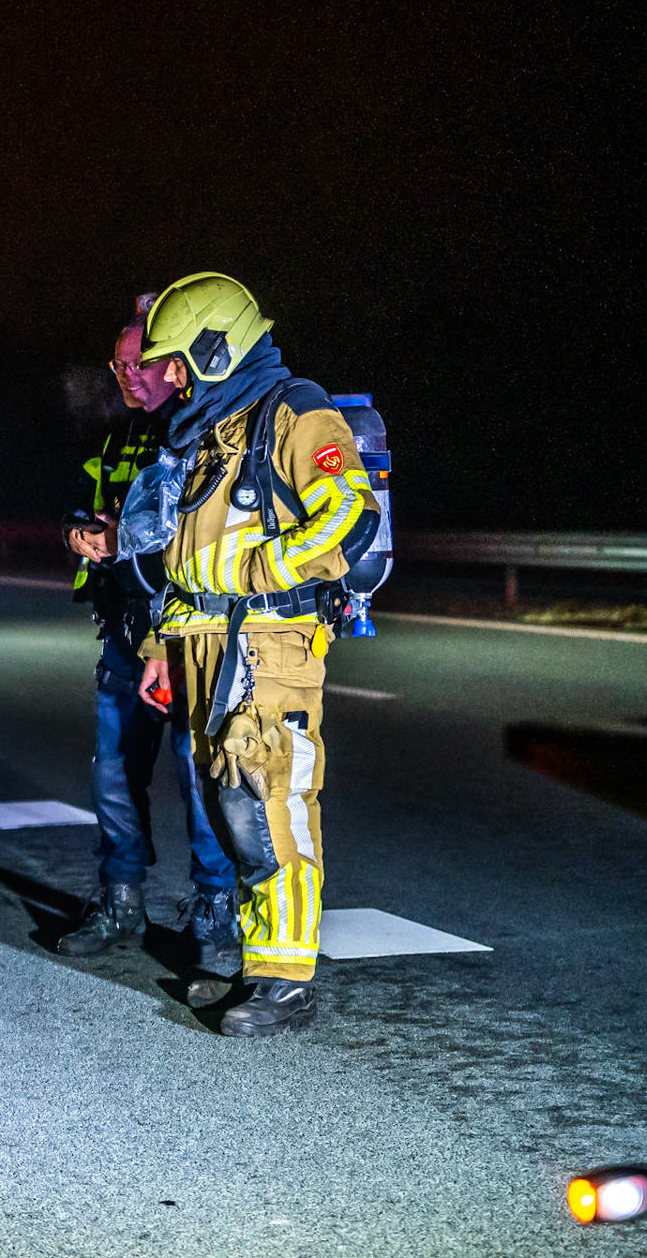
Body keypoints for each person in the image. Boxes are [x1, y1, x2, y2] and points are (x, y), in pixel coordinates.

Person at [130, 273, 380, 1037]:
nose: (168, 376)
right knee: (228, 807)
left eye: (177, 361)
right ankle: (257, 964)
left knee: (270, 800)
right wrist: (158, 645)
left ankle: (286, 980)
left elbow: (348, 517)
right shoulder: (211, 430)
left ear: (216, 347)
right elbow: (185, 557)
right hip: (205, 643)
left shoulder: (293, 411)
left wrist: (259, 573)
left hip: (270, 642)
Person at [57, 296, 239, 1001]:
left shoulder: (202, 433)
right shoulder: (120, 439)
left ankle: (217, 914)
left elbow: (202, 537)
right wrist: (81, 535)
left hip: (193, 637)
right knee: (114, 778)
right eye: (119, 364)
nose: (128, 375)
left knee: (203, 780)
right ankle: (120, 898)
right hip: (126, 636)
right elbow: (81, 508)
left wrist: (123, 542)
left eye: (140, 362)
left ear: (175, 363)